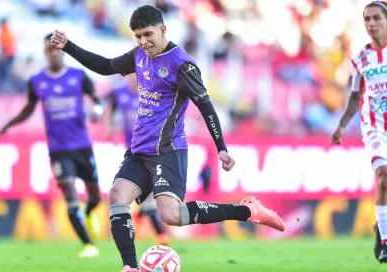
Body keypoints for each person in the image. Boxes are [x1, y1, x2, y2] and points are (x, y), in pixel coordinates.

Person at [51, 5, 285, 271]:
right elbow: (105, 67)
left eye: (148, 34)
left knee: (171, 215)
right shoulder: (139, 55)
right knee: (117, 195)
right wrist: (68, 46)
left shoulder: (181, 64)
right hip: (139, 149)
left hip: (168, 150)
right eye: (138, 36)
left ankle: (247, 211)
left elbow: (205, 105)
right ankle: (130, 267)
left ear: (163, 29)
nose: (143, 42)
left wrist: (221, 148)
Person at [0, 33, 103, 259]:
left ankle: (89, 212)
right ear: (45, 53)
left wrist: (97, 113)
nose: (54, 53)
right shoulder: (36, 81)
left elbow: (97, 101)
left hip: (82, 146)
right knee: (69, 194)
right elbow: (28, 109)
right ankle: (87, 245)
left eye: (57, 49)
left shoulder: (79, 76)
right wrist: (8, 125)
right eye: (50, 49)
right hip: (58, 150)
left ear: (62, 51)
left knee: (95, 197)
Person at [331, 1, 387, 263]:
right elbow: (355, 97)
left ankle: (381, 226)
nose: (371, 24)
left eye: (377, 18)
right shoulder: (360, 59)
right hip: (375, 126)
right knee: (383, 176)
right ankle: (386, 242)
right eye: (367, 19)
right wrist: (341, 126)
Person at [104, 75, 170, 246]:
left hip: (153, 150)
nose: (133, 76)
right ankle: (160, 235)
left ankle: (150, 227)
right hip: (134, 152)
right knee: (144, 195)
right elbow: (110, 105)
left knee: (149, 193)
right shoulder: (119, 92)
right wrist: (109, 126)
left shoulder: (150, 92)